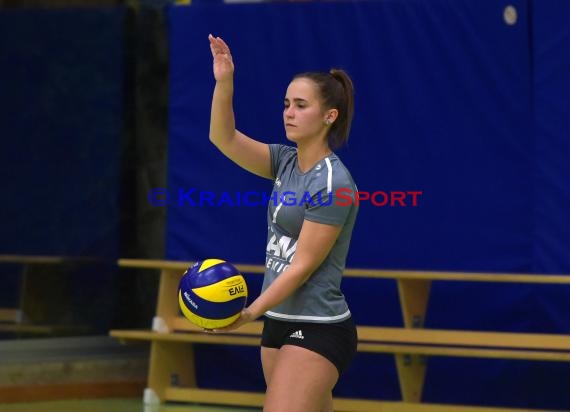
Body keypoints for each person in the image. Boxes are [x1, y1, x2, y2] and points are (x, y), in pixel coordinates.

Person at [208, 34, 359, 412]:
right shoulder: (284, 161)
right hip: (277, 321)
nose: (288, 112)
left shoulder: (333, 183)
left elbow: (302, 266)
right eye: (286, 104)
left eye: (301, 105)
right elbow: (222, 138)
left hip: (317, 326)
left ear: (329, 116)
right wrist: (224, 81)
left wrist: (248, 312)